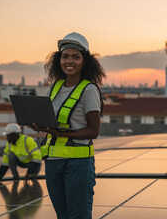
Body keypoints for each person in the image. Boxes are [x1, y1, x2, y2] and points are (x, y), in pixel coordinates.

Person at [30, 32, 105, 219]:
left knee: (78, 215)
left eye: (75, 57)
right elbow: (52, 121)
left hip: (78, 163)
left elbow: (93, 131)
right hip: (53, 162)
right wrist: (41, 126)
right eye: (65, 56)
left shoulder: (89, 90)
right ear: (58, 60)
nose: (69, 61)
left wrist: (60, 133)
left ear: (85, 61)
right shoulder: (54, 87)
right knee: (62, 215)